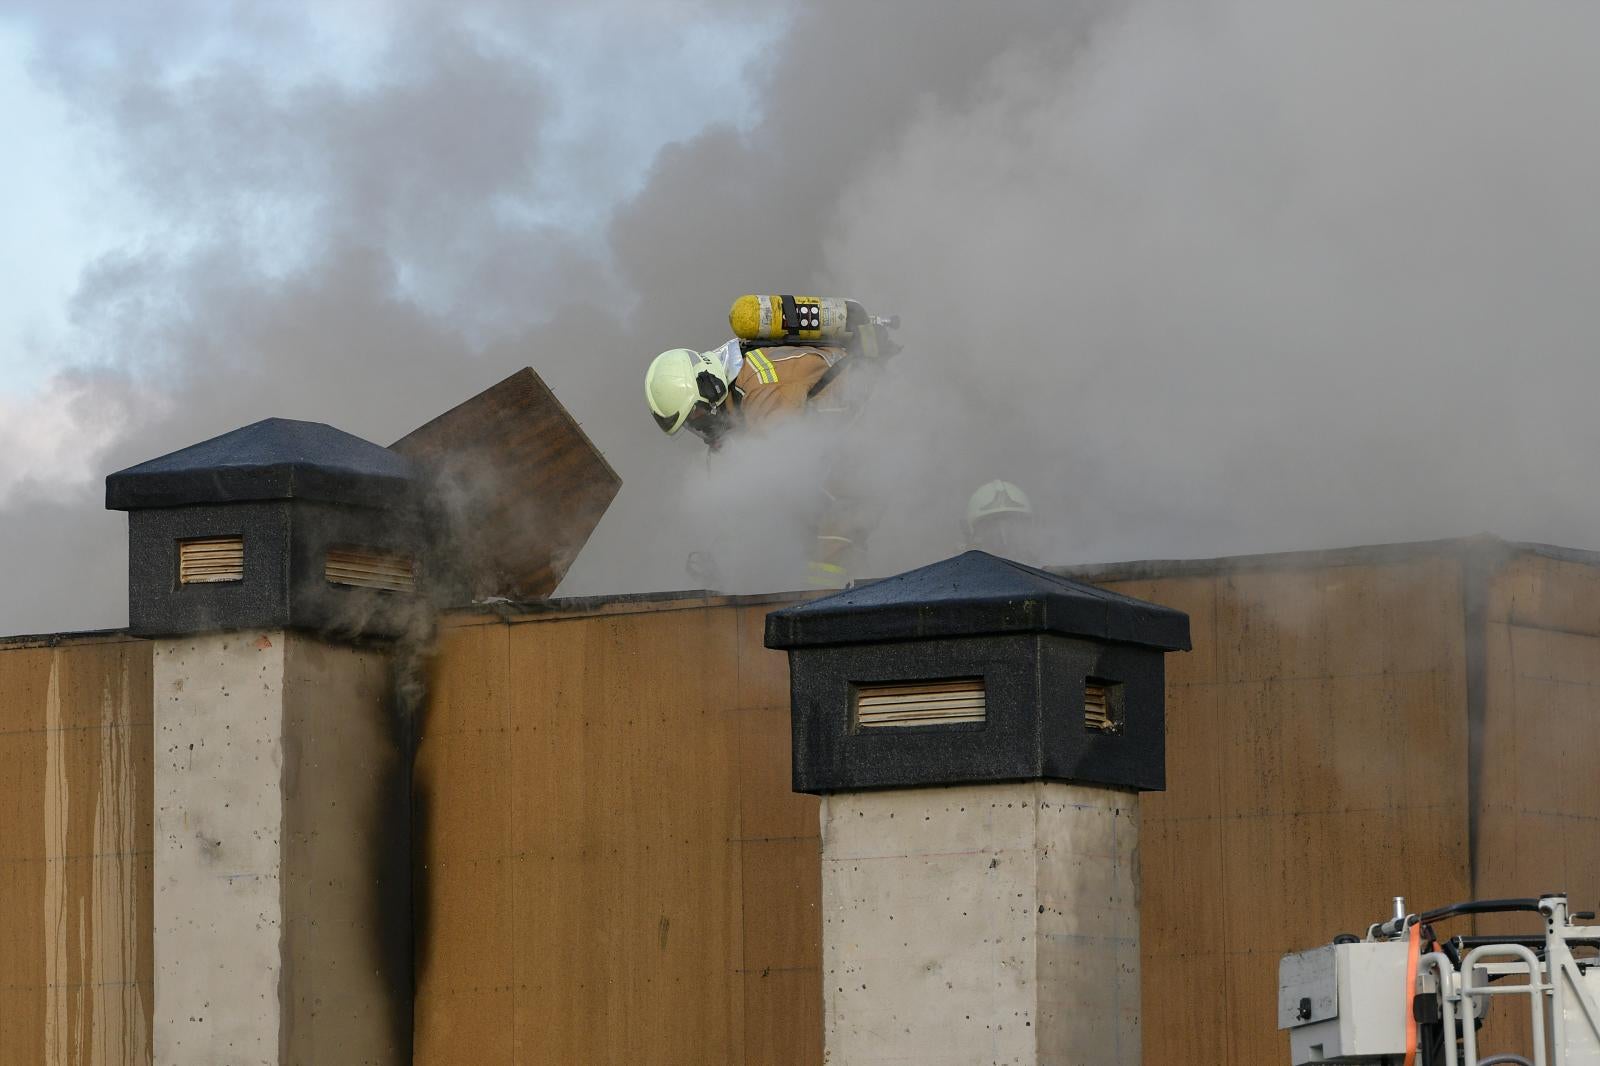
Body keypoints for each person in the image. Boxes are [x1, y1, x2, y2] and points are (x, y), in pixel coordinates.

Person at [645, 337, 869, 587]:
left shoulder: (765, 388)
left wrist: (734, 551)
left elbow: (781, 481)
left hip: (868, 433)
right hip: (834, 444)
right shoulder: (734, 386)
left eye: (697, 415)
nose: (700, 427)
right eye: (691, 423)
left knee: (821, 570)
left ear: (709, 385)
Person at [963, 480, 1041, 566]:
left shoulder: (1046, 572)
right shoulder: (959, 573)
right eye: (990, 525)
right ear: (972, 533)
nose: (1003, 535)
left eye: (1012, 523)